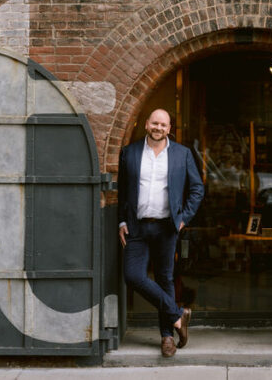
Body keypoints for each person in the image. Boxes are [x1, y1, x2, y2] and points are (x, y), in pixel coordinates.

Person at [118, 108, 205, 358]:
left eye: (163, 125)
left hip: (167, 227)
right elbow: (123, 189)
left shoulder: (182, 154)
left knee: (165, 279)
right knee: (133, 276)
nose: (158, 128)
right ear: (147, 124)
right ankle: (178, 314)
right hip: (136, 226)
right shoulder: (131, 152)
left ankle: (167, 336)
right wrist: (122, 220)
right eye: (154, 123)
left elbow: (197, 188)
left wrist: (183, 218)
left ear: (169, 128)